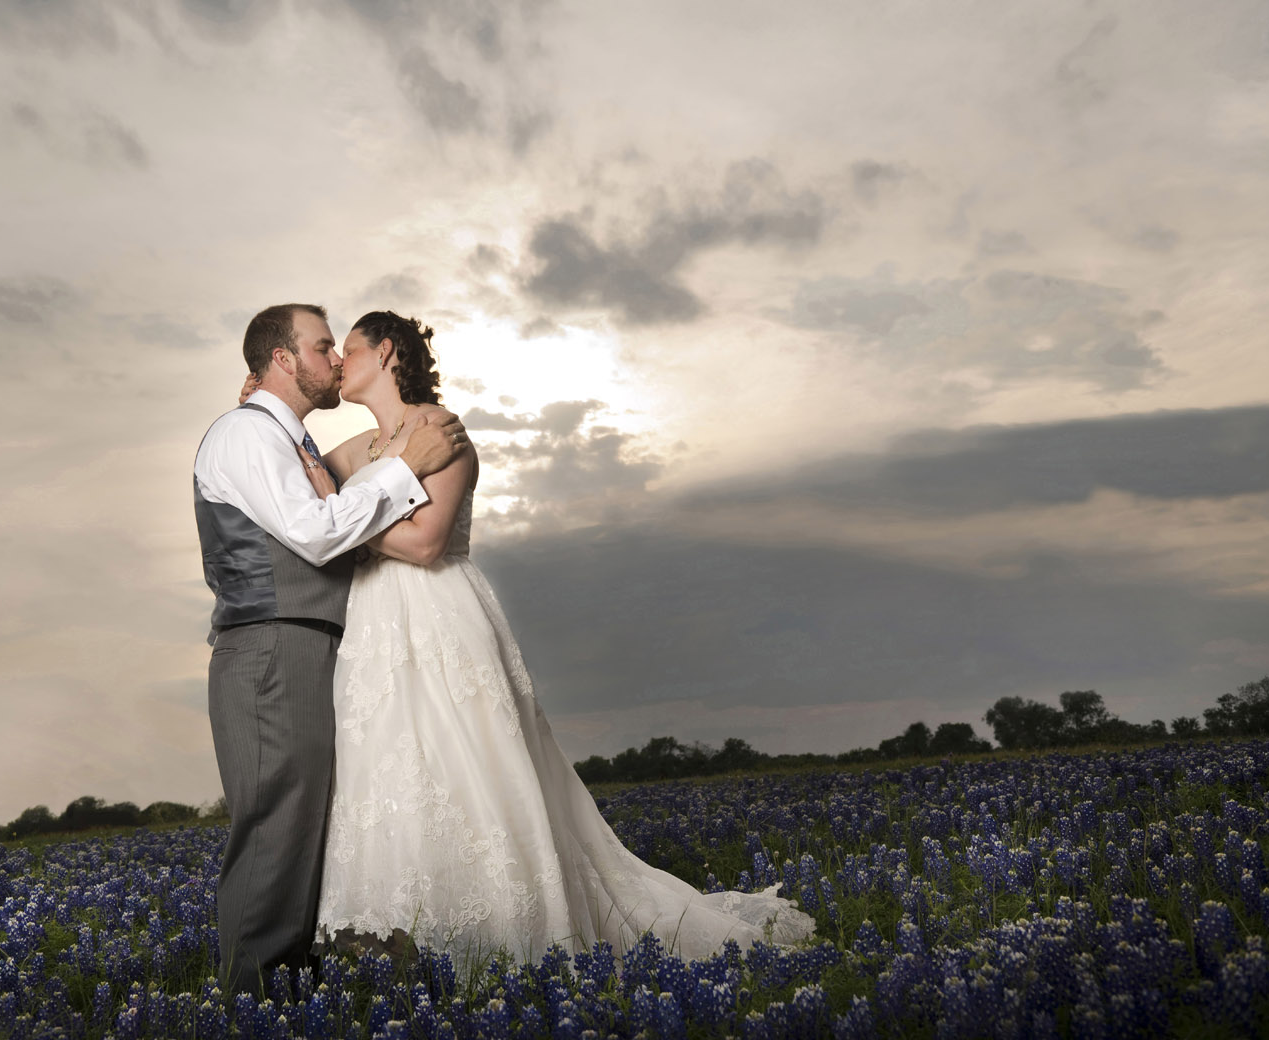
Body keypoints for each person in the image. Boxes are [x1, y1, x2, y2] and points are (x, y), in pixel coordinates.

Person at [244, 310, 816, 964]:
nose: (340, 364)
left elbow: (426, 544)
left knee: (464, 759)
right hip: (371, 620)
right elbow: (297, 479)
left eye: (349, 350)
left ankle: (499, 932)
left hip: (437, 610)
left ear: (387, 351)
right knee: (383, 764)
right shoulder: (349, 451)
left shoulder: (442, 433)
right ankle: (398, 930)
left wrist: (347, 523)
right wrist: (260, 397)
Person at [193, 303, 469, 996]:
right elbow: (316, 534)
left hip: (312, 648)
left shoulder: (294, 443)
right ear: (284, 360)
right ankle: (254, 997)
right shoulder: (247, 434)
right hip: (270, 650)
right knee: (277, 820)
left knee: (308, 820)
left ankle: (287, 985)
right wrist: (406, 467)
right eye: (323, 346)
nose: (336, 360)